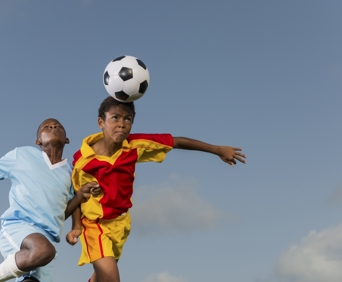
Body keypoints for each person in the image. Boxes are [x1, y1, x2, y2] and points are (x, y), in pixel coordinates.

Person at [66, 96, 247, 282]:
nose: (122, 124)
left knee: (101, 277)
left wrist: (216, 149)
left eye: (127, 119)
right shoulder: (83, 160)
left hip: (120, 223)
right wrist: (76, 226)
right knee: (112, 277)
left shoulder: (134, 146)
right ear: (100, 122)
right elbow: (77, 194)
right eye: (115, 117)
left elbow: (175, 142)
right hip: (95, 225)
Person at [0, 118, 100, 282]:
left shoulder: (70, 173)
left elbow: (61, 213)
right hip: (19, 229)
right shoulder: (22, 155)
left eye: (58, 126)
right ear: (38, 141)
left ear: (67, 139)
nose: (52, 127)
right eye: (46, 127)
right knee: (42, 250)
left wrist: (78, 204)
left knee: (37, 267)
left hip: (48, 242)